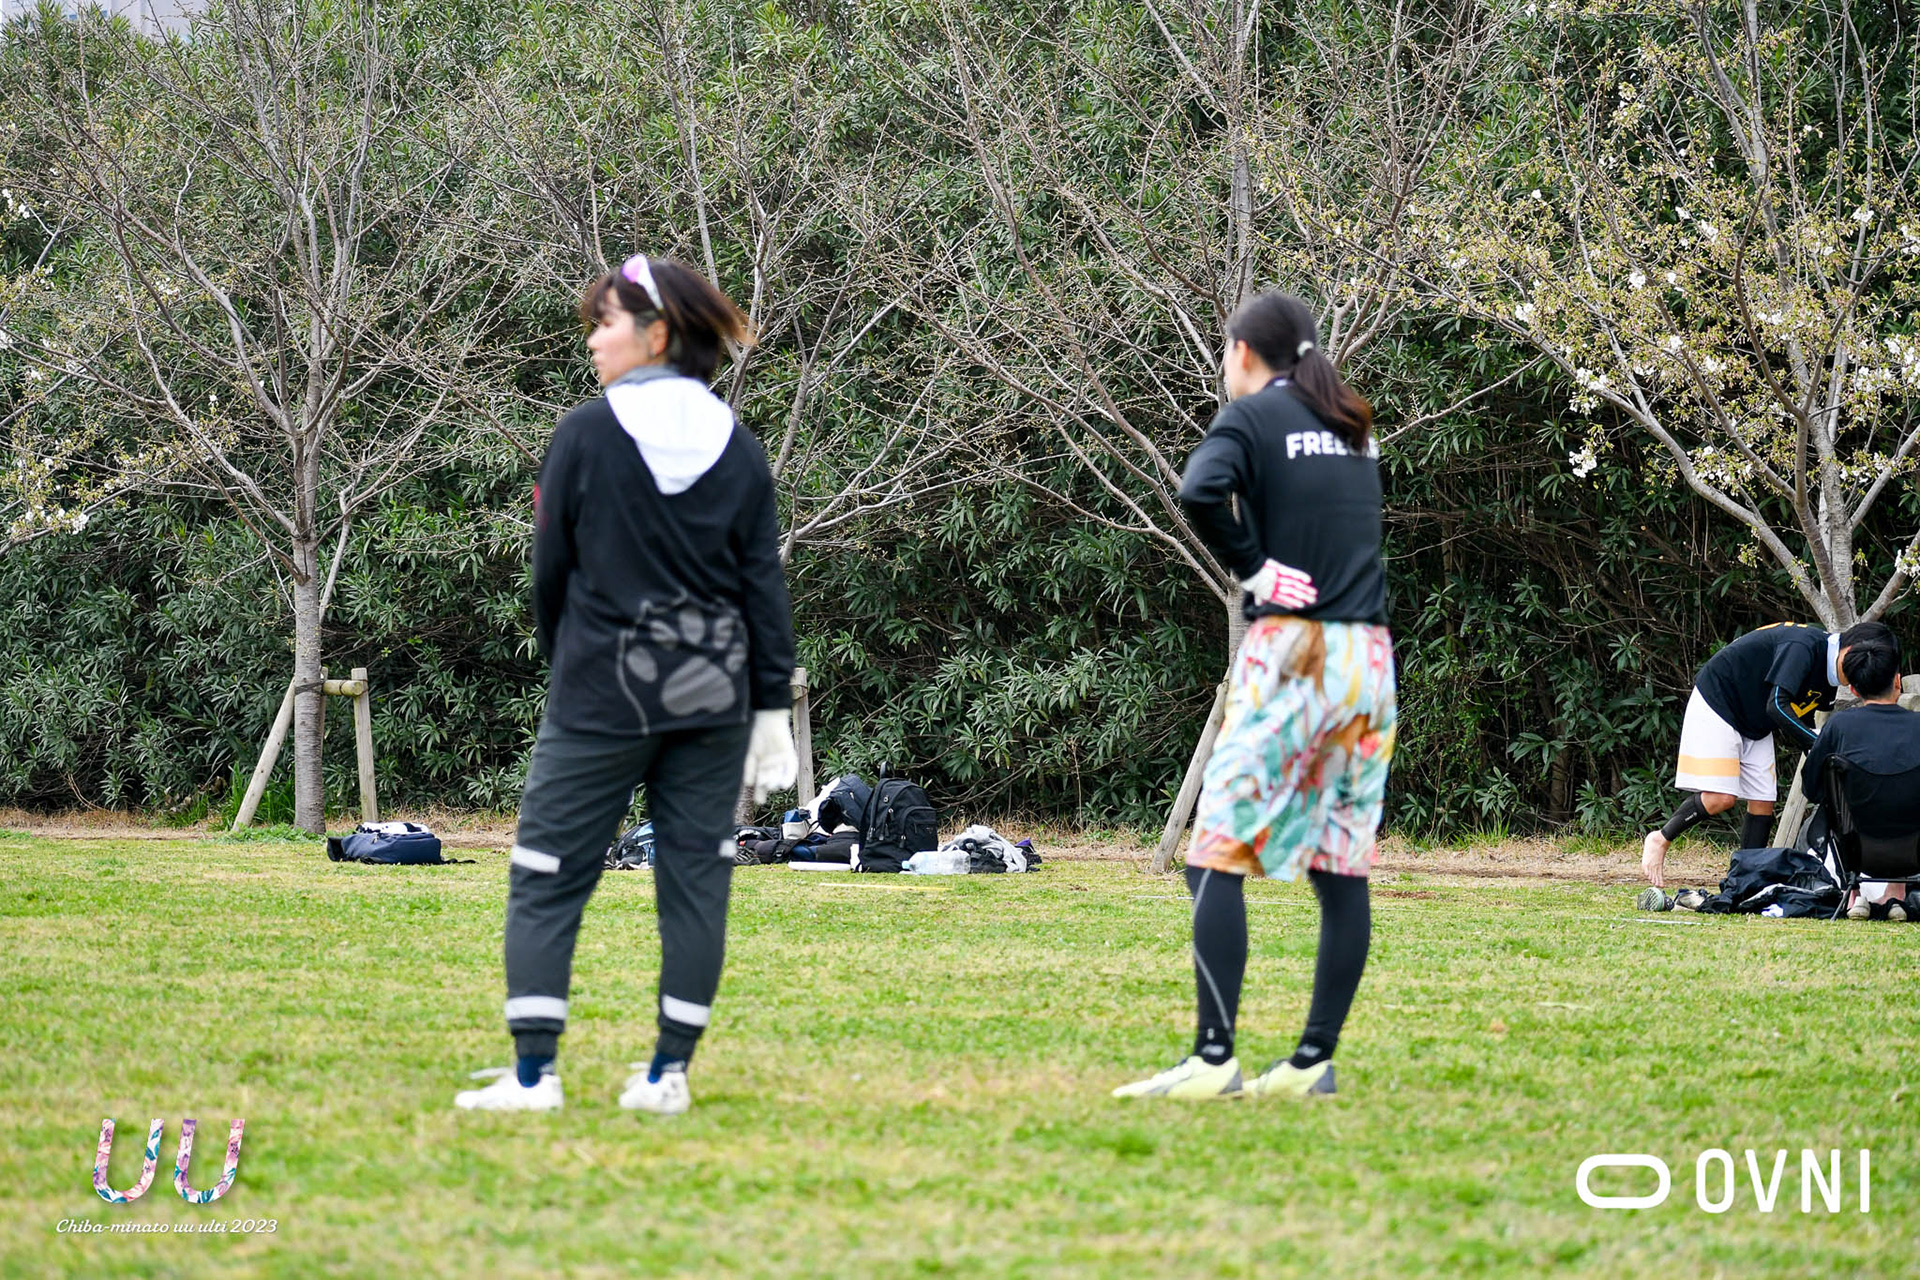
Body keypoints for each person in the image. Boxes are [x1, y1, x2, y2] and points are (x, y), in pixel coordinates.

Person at [456, 254, 797, 1115]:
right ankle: (666, 1076)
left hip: (600, 692)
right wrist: (768, 707)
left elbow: (550, 574)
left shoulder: (584, 433)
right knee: (696, 881)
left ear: (656, 334)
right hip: (712, 697)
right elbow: (762, 589)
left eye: (604, 323)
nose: (592, 341)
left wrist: (567, 663)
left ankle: (533, 1078)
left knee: (547, 872)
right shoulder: (740, 447)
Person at [1114, 292, 1395, 1101]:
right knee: (1340, 865)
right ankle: (1311, 1064)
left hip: (1296, 652)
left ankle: (1213, 1060)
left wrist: (1256, 568)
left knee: (1214, 855)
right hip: (1368, 660)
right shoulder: (1353, 428)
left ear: (1242, 351)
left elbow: (1200, 489)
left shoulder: (1251, 417)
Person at [1640, 620, 1893, 888]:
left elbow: (1802, 719)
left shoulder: (1831, 676)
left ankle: (1745, 879)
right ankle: (1660, 838)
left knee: (1763, 800)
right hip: (1721, 700)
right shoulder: (1804, 646)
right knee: (1721, 798)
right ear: (1849, 650)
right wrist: (1819, 746)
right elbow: (1777, 705)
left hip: (1755, 719)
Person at [1800, 630, 1917, 921]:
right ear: (1897, 681)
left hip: (1857, 848)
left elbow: (1811, 788)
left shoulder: (1839, 726)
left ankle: (1853, 892)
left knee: (1832, 805)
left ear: (1853, 689)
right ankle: (1896, 893)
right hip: (1914, 849)